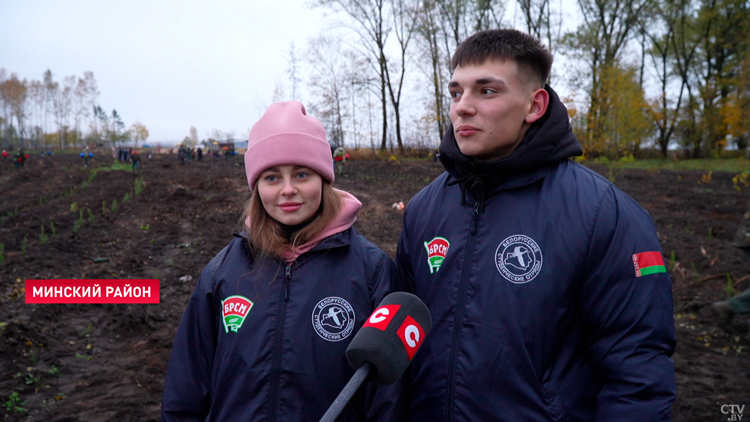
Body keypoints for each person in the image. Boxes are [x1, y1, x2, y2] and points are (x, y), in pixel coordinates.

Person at [395, 29, 676, 421]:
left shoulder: (604, 214)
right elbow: (401, 346)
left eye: (486, 91)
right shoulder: (424, 209)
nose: (463, 107)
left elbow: (638, 374)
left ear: (535, 104)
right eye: (456, 92)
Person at [162, 101, 401, 421]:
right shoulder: (222, 273)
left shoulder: (373, 272)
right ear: (256, 187)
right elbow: (186, 388)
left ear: (324, 179)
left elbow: (387, 400)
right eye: (272, 178)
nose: (288, 190)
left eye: (301, 174)